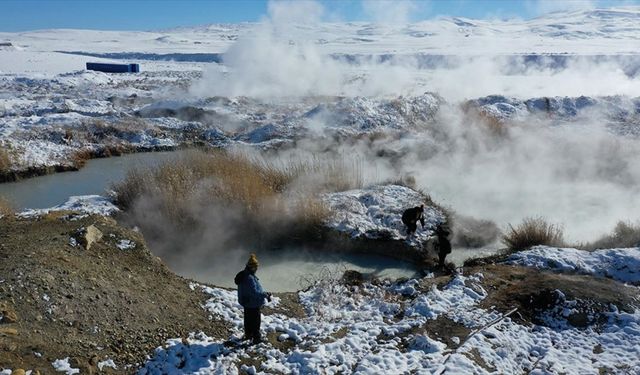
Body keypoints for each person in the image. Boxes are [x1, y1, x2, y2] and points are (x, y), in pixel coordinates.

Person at [234, 253, 271, 345]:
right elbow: (254, 292)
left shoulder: (243, 274)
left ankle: (248, 335)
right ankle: (256, 338)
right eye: (256, 267)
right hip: (253, 303)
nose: (257, 269)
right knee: (255, 321)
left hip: (246, 302)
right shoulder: (249, 278)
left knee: (248, 319)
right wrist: (265, 295)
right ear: (252, 267)